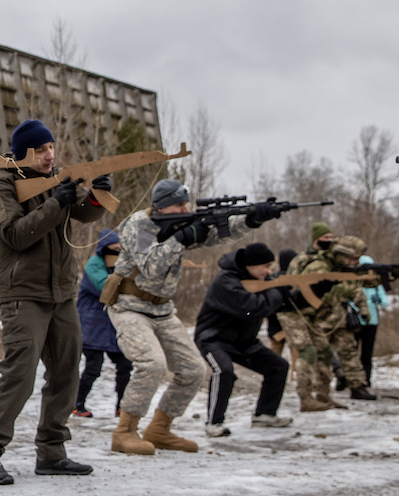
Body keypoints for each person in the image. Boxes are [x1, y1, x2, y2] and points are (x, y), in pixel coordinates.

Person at [0, 119, 106, 485]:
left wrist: (96, 196)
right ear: (24, 153)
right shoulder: (2, 185)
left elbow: (83, 211)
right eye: (42, 150)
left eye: (52, 148)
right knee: (20, 374)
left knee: (66, 372)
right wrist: (55, 204)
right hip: (23, 294)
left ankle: (52, 452)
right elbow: (16, 235)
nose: (50, 156)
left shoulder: (56, 178)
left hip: (61, 292)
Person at [108, 179, 279, 456]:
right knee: (151, 364)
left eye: (186, 203)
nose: (185, 209)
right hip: (129, 306)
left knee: (192, 370)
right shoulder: (139, 225)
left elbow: (218, 233)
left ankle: (160, 429)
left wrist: (252, 219)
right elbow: (150, 267)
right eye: (179, 205)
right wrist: (181, 238)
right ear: (163, 208)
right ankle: (125, 432)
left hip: (162, 310)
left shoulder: (179, 224)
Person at [193, 242, 293, 436]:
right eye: (265, 266)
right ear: (250, 265)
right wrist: (277, 290)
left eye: (270, 266)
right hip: (214, 338)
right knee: (224, 371)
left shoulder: (262, 280)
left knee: (278, 366)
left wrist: (302, 290)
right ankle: (213, 423)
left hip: (243, 341)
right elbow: (252, 308)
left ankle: (264, 415)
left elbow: (282, 305)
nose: (268, 271)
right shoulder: (226, 281)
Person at [277, 234, 375, 408]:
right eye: (351, 259)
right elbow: (319, 295)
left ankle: (323, 396)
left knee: (325, 353)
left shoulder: (336, 268)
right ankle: (306, 398)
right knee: (308, 352)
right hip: (293, 313)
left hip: (311, 316)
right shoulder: (319, 267)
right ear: (340, 255)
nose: (354, 262)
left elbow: (352, 290)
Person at [73, 229, 132, 418]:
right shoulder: (94, 265)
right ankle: (77, 404)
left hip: (113, 326)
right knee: (93, 367)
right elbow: (105, 288)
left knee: (124, 365)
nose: (117, 252)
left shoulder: (119, 265)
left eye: (120, 249)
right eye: (114, 249)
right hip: (92, 326)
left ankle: (121, 407)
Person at [355, 254, 389, 389]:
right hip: (356, 321)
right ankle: (351, 379)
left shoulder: (375, 283)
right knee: (351, 351)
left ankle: (366, 379)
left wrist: (378, 300)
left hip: (372, 321)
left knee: (367, 352)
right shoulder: (355, 282)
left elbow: (385, 302)